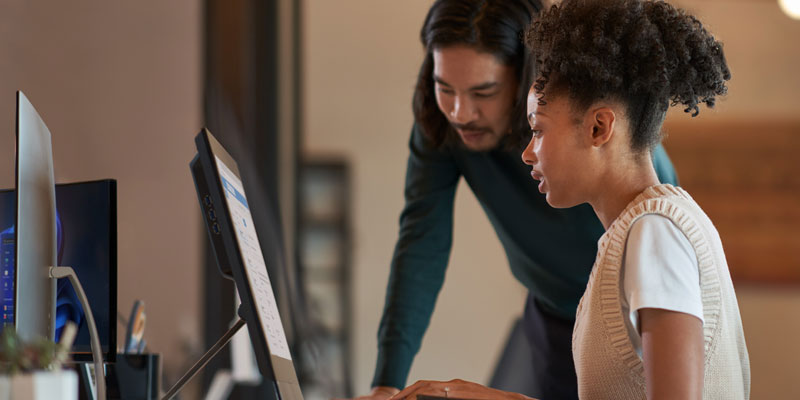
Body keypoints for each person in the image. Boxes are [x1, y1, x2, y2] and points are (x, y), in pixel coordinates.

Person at [392, 0, 750, 399]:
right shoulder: (640, 231)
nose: (527, 153)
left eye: (538, 130)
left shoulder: (655, 236)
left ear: (599, 128)